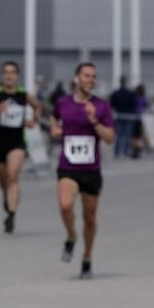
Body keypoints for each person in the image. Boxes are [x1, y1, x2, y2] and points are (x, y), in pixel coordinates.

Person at [50, 62, 115, 279]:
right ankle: (71, 236)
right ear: (76, 78)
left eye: (94, 76)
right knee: (66, 204)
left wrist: (94, 121)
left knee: (90, 218)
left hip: (91, 169)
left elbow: (109, 138)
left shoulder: (101, 106)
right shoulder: (63, 103)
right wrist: (54, 128)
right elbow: (54, 116)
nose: (91, 80)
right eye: (87, 76)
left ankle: (87, 257)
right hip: (68, 166)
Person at [0, 61, 41, 234]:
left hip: (17, 142)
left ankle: (11, 214)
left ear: (18, 76)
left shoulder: (24, 95)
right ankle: (7, 198)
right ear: (2, 75)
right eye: (6, 72)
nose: (9, 75)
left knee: (13, 176)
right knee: (4, 181)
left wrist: (34, 120)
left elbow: (38, 106)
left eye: (12, 72)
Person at [109, 76, 136, 159]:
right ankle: (125, 153)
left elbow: (111, 105)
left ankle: (117, 153)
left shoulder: (115, 93)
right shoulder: (130, 93)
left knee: (118, 136)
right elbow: (134, 104)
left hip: (119, 115)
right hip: (129, 116)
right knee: (127, 136)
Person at [131, 84, 150, 159]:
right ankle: (138, 150)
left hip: (132, 118)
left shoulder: (134, 98)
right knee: (139, 136)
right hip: (140, 119)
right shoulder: (143, 98)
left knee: (133, 136)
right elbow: (147, 106)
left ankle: (134, 150)